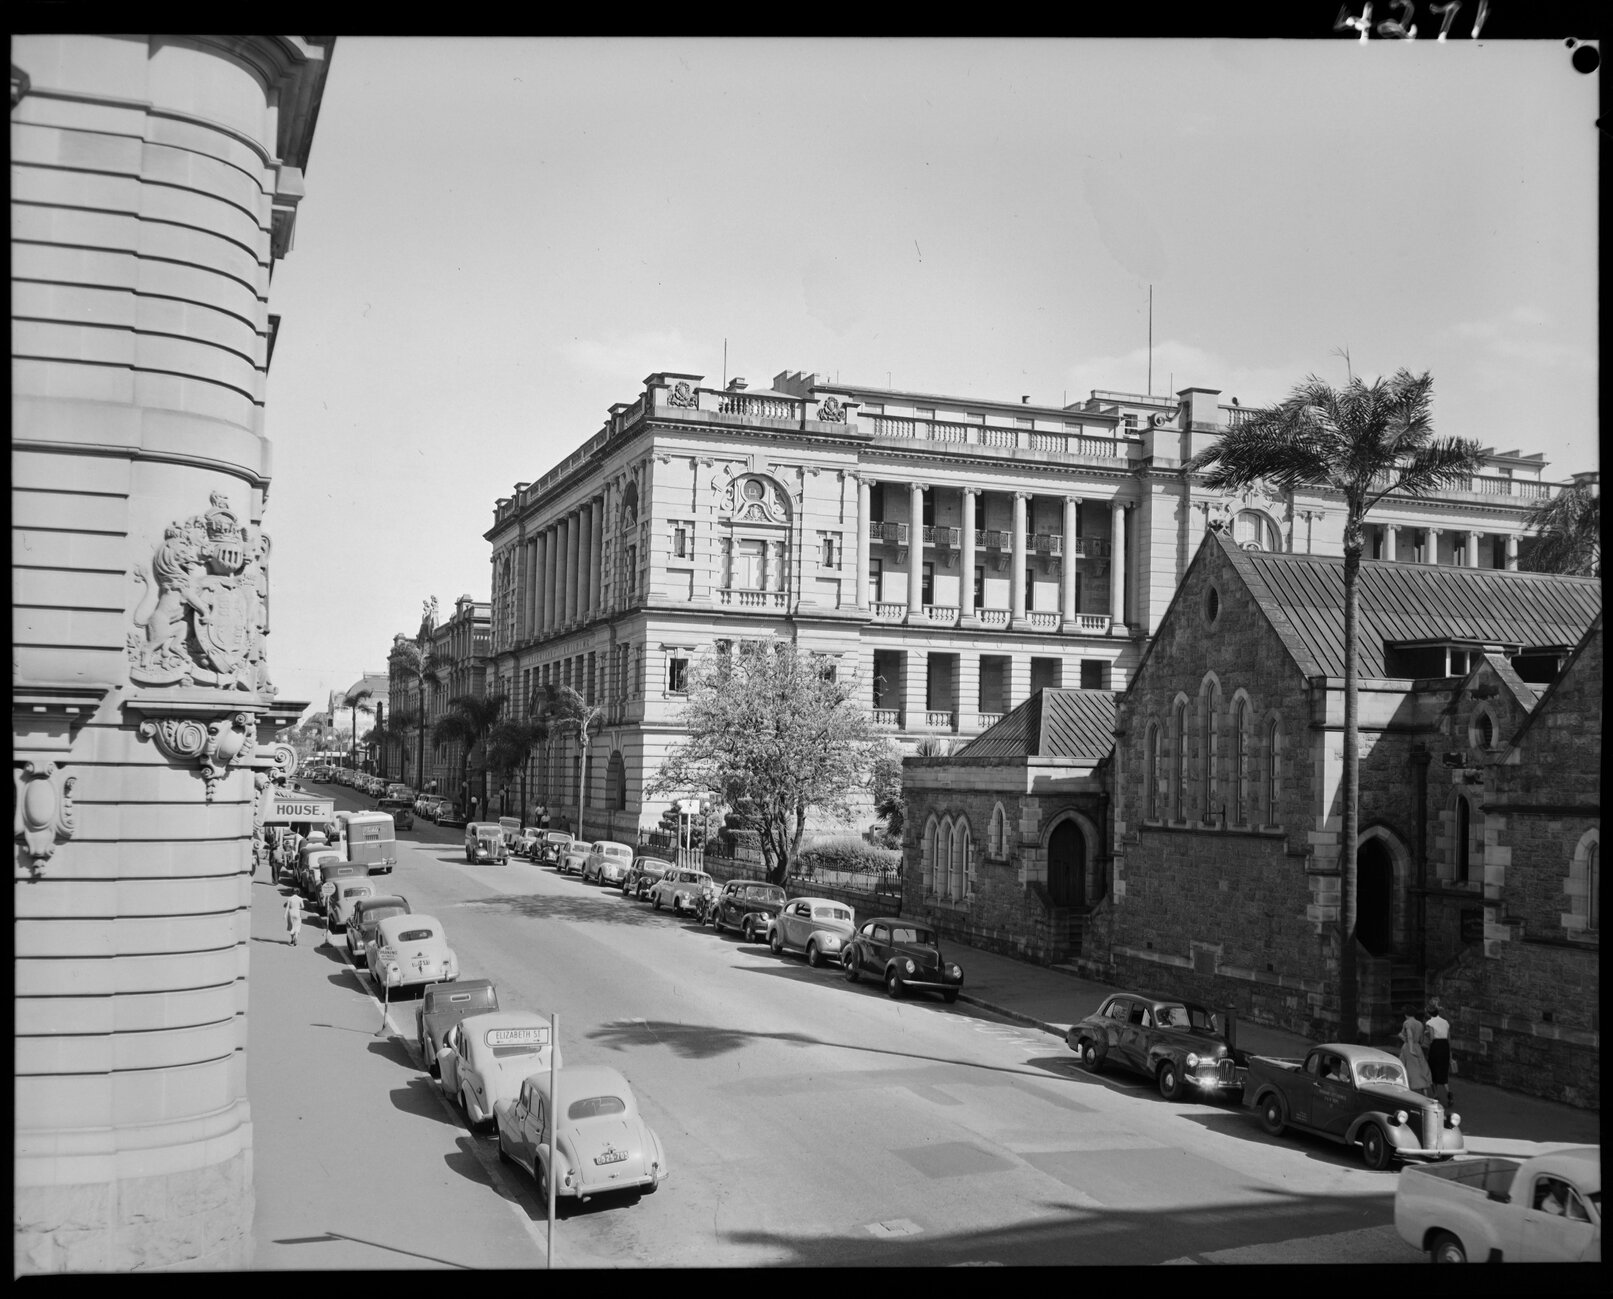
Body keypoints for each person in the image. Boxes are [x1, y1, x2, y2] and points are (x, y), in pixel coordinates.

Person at [1424, 1000, 1453, 1106]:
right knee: (1443, 1071)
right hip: (1444, 1045)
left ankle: (1435, 1095)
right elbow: (1449, 1038)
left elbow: (1431, 1038)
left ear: (1429, 1013)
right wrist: (1450, 1052)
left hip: (1436, 1046)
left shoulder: (1429, 1023)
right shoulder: (1445, 1022)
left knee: (1433, 1070)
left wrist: (1426, 1033)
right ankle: (1449, 1093)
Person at [1399, 1008, 1433, 1095]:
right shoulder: (1420, 1024)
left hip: (1408, 1047)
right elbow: (1421, 1040)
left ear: (1406, 1014)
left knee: (1407, 1069)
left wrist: (1410, 1048)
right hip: (1417, 1047)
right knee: (1421, 1070)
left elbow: (1409, 1036)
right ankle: (1425, 1093)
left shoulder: (1407, 1023)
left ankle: (1406, 1092)